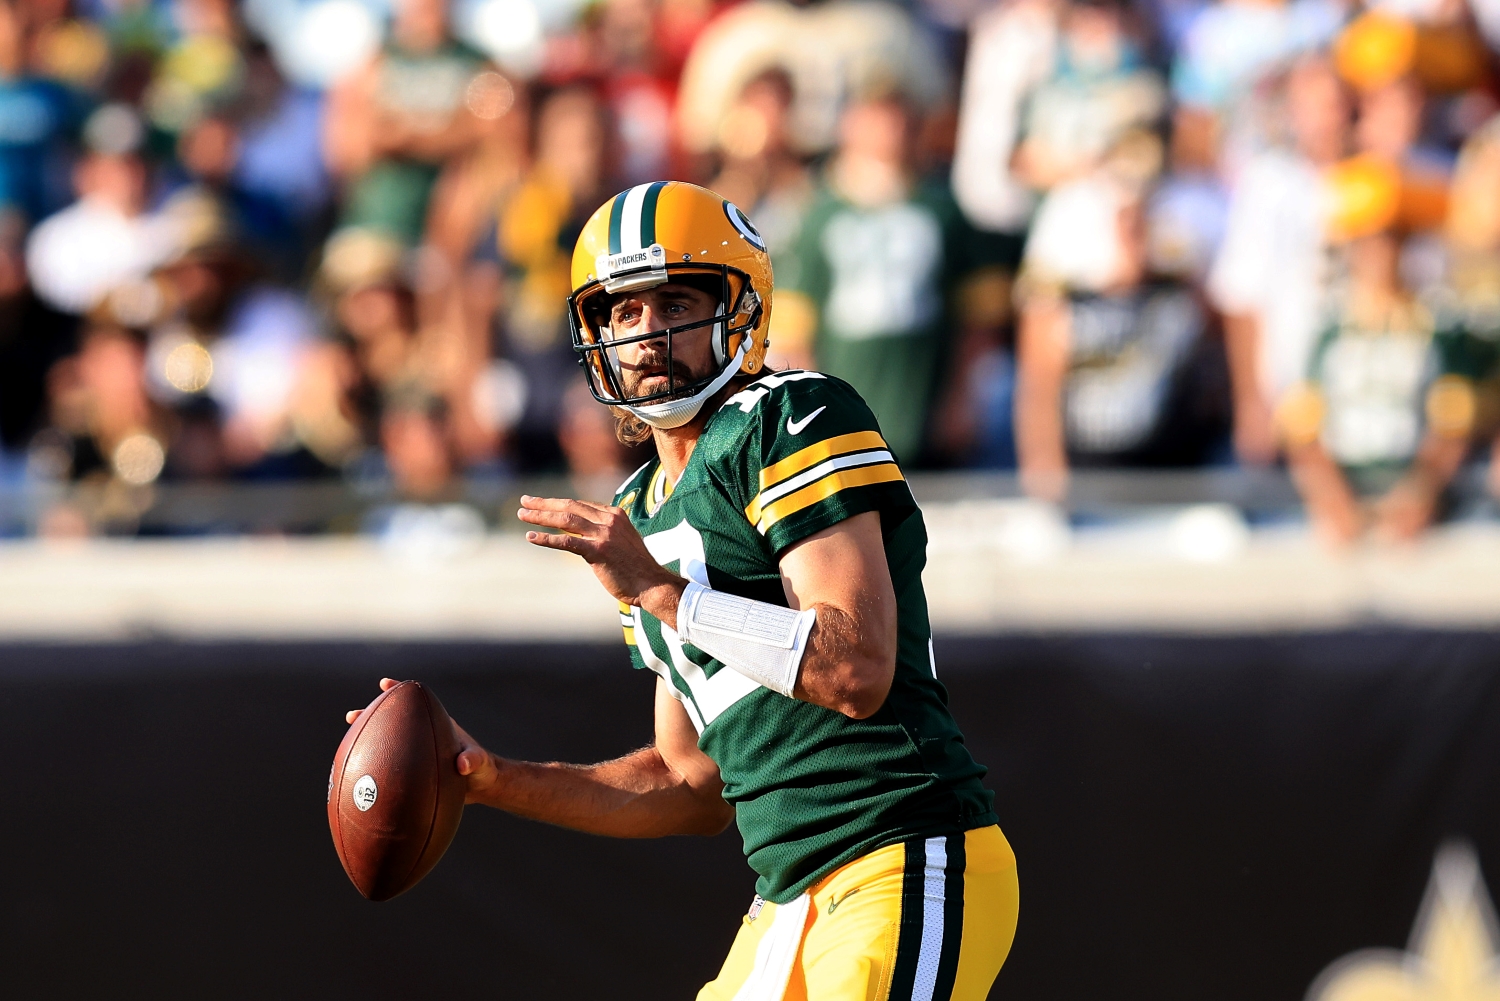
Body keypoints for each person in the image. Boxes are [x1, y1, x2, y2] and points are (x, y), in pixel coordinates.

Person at [345, 181, 1018, 1001]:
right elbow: (689, 780)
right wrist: (485, 775)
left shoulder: (791, 414)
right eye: (623, 313)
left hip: (901, 854)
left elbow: (857, 667)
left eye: (675, 302)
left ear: (739, 310)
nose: (648, 332)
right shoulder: (636, 512)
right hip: (787, 900)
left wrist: (666, 595)